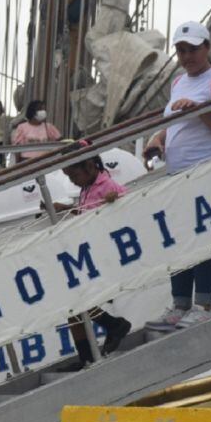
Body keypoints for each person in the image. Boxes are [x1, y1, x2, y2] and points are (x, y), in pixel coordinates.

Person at [143, 21, 211, 331]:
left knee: (202, 239)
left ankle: (202, 304)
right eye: (181, 51)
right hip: (177, 172)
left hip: (205, 169)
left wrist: (200, 109)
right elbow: (175, 124)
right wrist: (159, 138)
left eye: (193, 49)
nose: (187, 56)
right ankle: (180, 303)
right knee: (180, 241)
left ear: (207, 48)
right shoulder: (178, 83)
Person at [55, 145, 133, 364]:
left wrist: (114, 198)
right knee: (71, 305)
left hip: (104, 252)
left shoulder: (105, 184)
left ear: (89, 166)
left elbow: (124, 198)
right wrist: (65, 209)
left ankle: (113, 325)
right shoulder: (86, 188)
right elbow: (87, 212)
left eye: (74, 175)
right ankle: (87, 354)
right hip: (90, 249)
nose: (72, 180)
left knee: (77, 300)